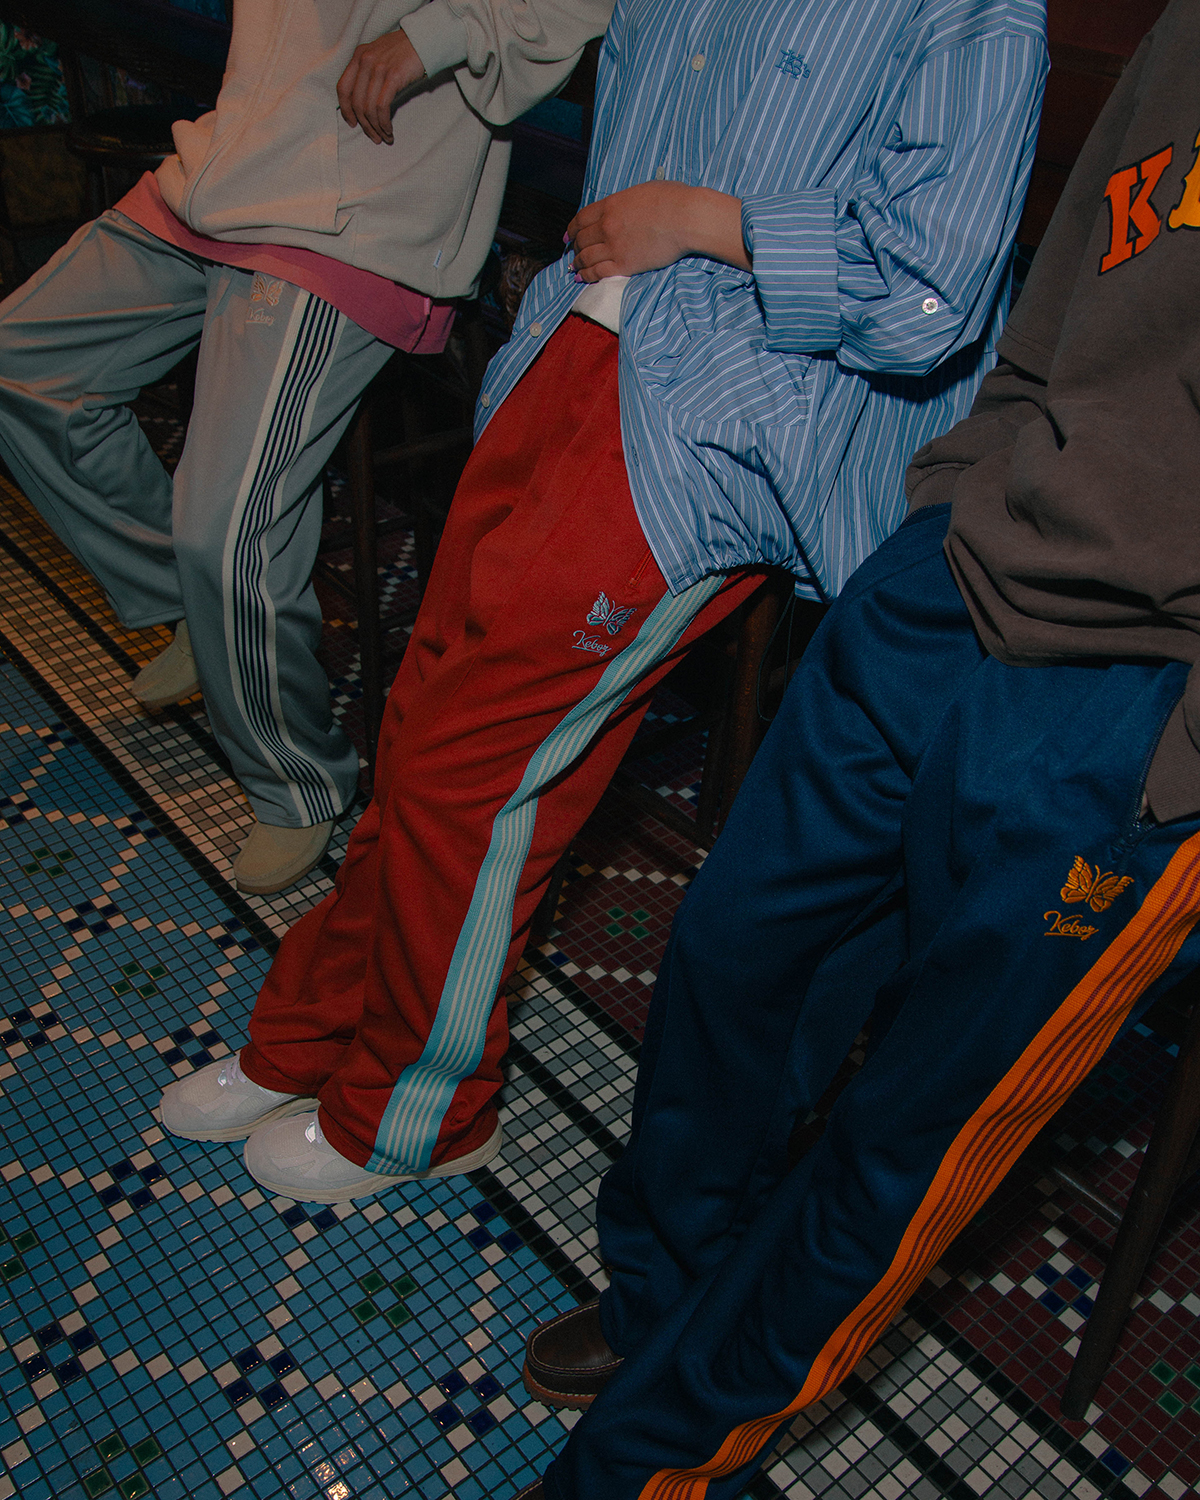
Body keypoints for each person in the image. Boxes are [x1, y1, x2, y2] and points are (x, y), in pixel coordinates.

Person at [157, 0, 1048, 1201]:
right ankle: (310, 1035)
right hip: (570, 348)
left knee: (478, 774)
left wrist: (703, 220)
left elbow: (928, 292)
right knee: (419, 737)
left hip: (722, 407)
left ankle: (425, 1108)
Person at [513, 2, 1200, 1495]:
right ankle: (663, 1310)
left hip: (1142, 712)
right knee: (734, 962)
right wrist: (944, 503)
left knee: (903, 1145)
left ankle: (651, 1461)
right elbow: (1066, 291)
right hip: (949, 582)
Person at [0, 0, 610, 894]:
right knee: (22, 367)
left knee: (226, 527)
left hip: (348, 213)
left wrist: (435, 33)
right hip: (224, 166)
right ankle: (185, 600)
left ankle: (297, 783)